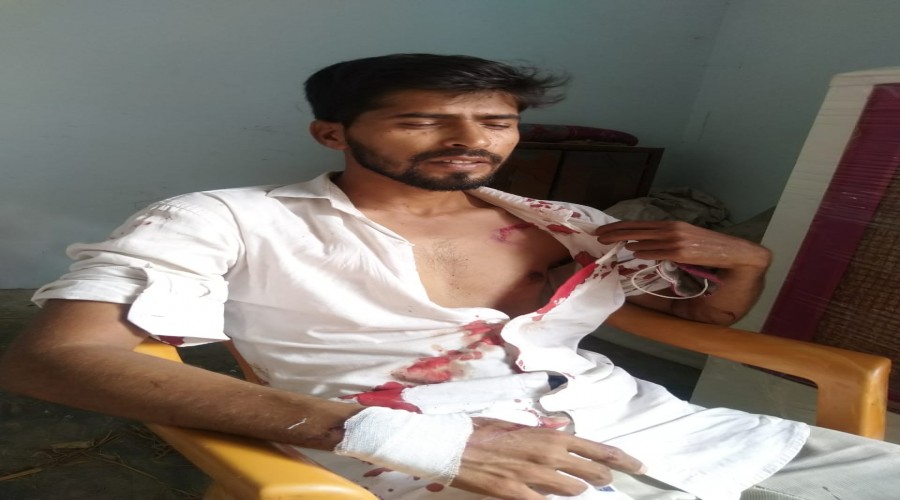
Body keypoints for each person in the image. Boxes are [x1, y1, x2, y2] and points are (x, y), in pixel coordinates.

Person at [0, 53, 897, 500]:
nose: (470, 140)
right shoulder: (226, 218)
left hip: (667, 428)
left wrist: (748, 264)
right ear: (332, 134)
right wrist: (400, 439)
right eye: (424, 121)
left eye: (495, 122)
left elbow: (710, 322)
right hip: (416, 450)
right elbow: (54, 360)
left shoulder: (565, 223)